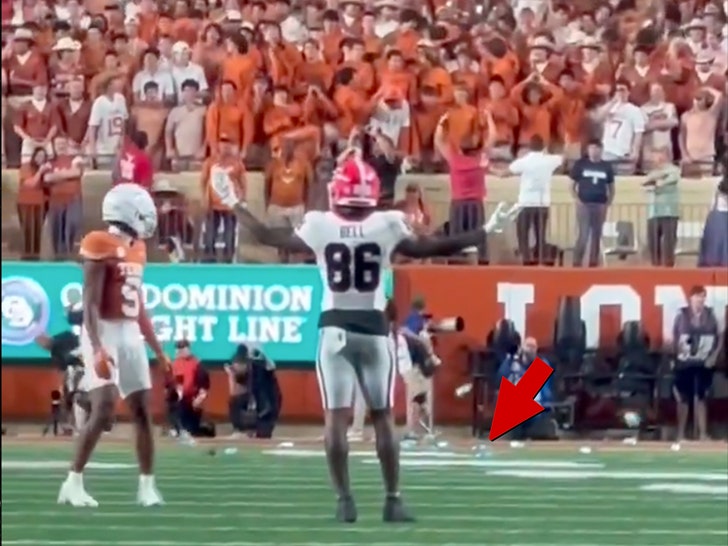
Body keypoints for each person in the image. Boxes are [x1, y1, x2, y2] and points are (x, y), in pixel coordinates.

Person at [209, 149, 520, 523]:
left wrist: (234, 202)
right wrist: (482, 231)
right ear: (371, 192)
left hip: (334, 327)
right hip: (372, 328)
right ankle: (393, 498)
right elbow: (430, 247)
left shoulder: (320, 224)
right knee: (383, 417)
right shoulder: (386, 224)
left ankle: (344, 499)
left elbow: (266, 234)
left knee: (335, 420)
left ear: (338, 192)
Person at [57, 183, 168, 508]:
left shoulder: (139, 248)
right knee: (104, 405)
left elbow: (139, 306)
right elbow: (90, 303)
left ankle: (147, 485)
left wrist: (158, 351)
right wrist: (98, 347)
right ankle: (73, 481)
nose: (148, 217)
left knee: (142, 410)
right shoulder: (98, 242)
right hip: (102, 331)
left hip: (129, 332)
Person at [570, 139, 615, 267]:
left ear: (601, 150)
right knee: (583, 234)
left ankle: (593, 263)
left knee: (596, 235)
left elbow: (611, 187)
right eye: (592, 148)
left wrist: (607, 203)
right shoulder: (581, 164)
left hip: (600, 204)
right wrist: (577, 200)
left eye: (597, 148)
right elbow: (571, 185)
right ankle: (576, 263)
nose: (594, 151)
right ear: (588, 150)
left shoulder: (606, 166)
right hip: (584, 204)